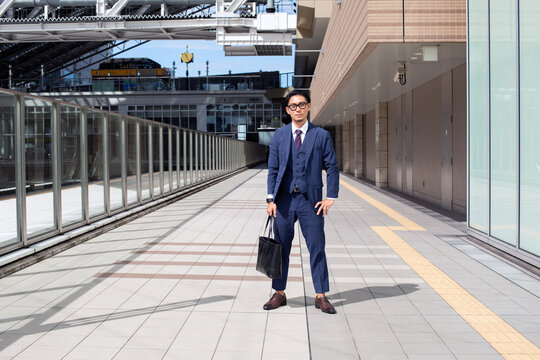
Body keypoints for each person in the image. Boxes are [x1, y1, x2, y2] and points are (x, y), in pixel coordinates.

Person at [265, 89, 339, 314]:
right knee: (281, 248)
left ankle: (321, 295)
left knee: (317, 247)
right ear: (287, 110)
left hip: (311, 201)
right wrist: (270, 199)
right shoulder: (279, 136)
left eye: (302, 104)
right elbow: (273, 169)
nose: (298, 109)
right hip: (284, 201)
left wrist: (330, 197)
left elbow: (332, 167)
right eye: (293, 106)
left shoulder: (321, 135)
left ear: (308, 107)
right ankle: (279, 293)